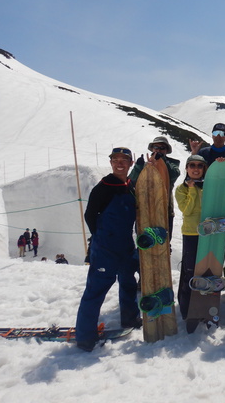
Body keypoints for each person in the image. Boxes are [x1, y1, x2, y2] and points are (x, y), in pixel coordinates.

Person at [75, 147, 141, 352]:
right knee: (96, 291)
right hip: (105, 248)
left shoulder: (131, 186)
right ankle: (85, 337)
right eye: (115, 159)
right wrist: (101, 237)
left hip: (126, 246)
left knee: (129, 284)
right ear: (111, 162)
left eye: (124, 160)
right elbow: (89, 215)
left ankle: (130, 319)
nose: (119, 163)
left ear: (130, 164)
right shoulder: (103, 187)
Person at [174, 154, 207, 319]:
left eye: (199, 166)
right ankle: (187, 308)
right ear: (186, 168)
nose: (195, 169)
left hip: (208, 234)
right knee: (190, 271)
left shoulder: (208, 187)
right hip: (191, 234)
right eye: (192, 165)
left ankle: (203, 305)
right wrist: (192, 190)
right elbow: (187, 210)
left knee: (207, 270)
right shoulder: (182, 189)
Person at [129, 136, 181, 240]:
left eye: (162, 148)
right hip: (144, 209)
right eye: (156, 147)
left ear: (166, 151)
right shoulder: (145, 165)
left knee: (163, 242)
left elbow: (175, 174)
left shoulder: (172, 165)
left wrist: (162, 161)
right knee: (143, 241)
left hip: (165, 210)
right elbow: (131, 181)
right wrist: (138, 167)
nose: (158, 150)